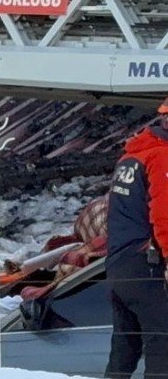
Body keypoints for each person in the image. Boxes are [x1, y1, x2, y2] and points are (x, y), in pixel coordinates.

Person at [105, 98, 168, 379]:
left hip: (120, 264)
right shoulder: (162, 157)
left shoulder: (132, 156)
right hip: (147, 264)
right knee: (163, 342)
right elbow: (164, 217)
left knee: (125, 346)